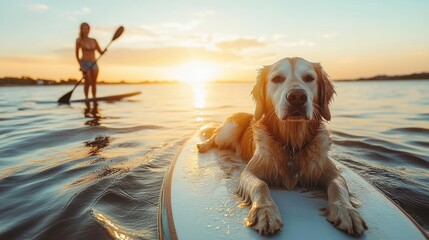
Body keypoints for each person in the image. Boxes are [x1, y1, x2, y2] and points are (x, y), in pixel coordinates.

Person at [75, 22, 105, 101]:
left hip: (94, 63)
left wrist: (103, 52)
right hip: (84, 63)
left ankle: (94, 98)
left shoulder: (94, 40)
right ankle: (86, 98)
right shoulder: (79, 40)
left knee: (94, 83)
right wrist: (81, 66)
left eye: (87, 28)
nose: (85, 30)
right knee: (88, 82)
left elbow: (100, 52)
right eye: (84, 28)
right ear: (81, 30)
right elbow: (77, 55)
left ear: (89, 29)